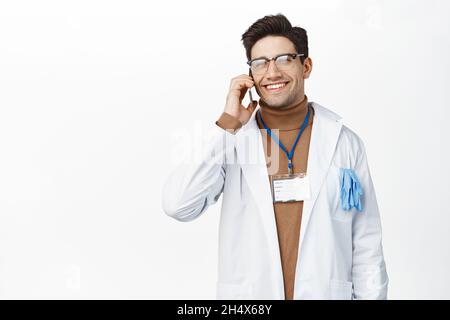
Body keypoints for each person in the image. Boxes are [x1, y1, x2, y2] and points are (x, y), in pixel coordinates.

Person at [162, 14, 388, 300]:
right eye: (260, 63)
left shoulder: (344, 143)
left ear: (305, 66)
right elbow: (178, 204)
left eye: (283, 59)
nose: (272, 73)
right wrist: (228, 124)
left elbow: (367, 243)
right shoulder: (233, 141)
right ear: (250, 75)